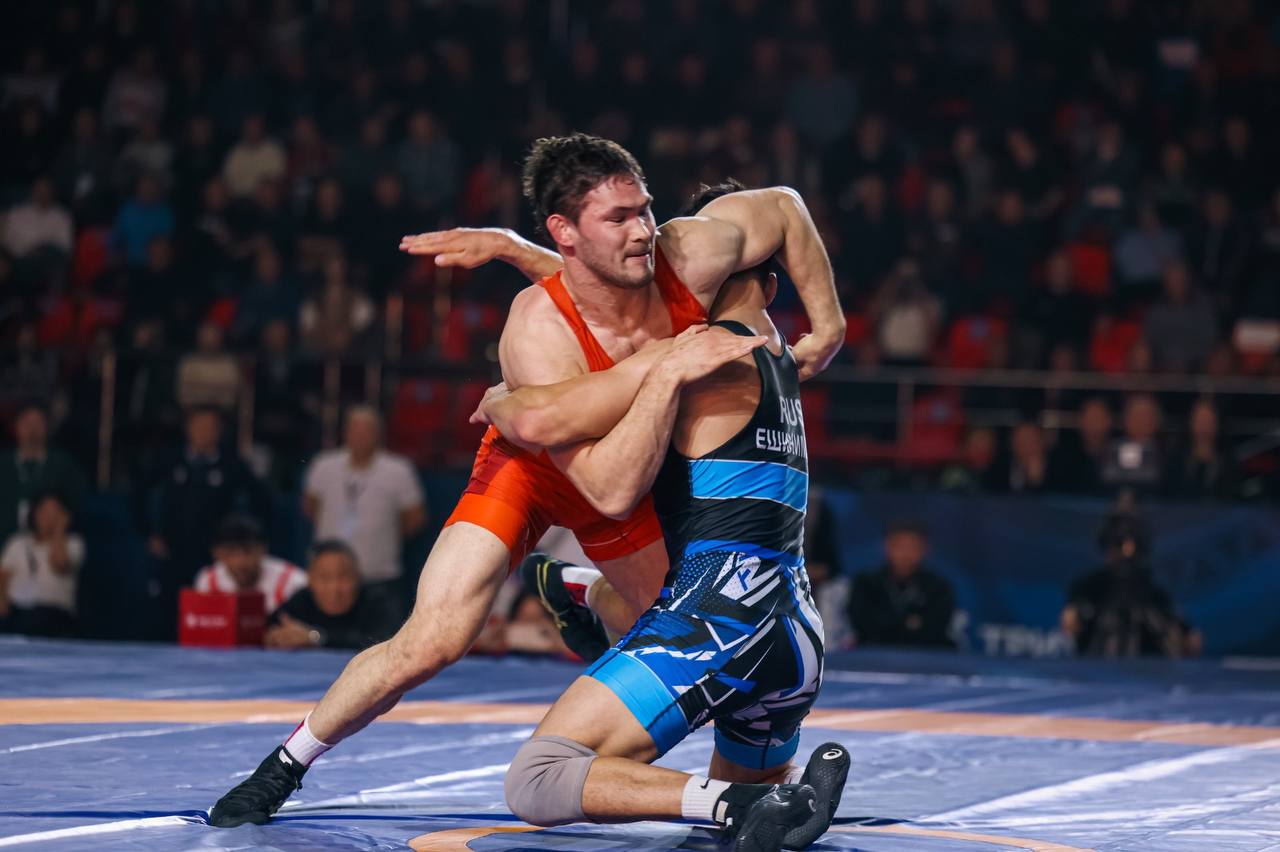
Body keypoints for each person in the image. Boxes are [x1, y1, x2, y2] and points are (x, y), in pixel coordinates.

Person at [209, 135, 843, 829]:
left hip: (622, 459)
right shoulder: (538, 326)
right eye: (619, 218)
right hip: (538, 465)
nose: (643, 232)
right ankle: (287, 763)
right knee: (434, 639)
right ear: (565, 232)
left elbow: (785, 208)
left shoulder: (687, 252)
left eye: (645, 210)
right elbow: (554, 429)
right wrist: (621, 375)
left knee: (674, 618)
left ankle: (579, 591)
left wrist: (830, 325)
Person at [477, 258, 846, 850]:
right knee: (755, 817)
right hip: (799, 636)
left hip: (719, 619)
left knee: (538, 778)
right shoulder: (783, 363)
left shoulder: (691, 357)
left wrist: (501, 400)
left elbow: (552, 424)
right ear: (772, 288)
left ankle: (743, 799)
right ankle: (777, 786)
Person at [144, 406, 270, 639]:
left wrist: (239, 542)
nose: (203, 432)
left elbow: (262, 500)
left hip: (214, 554)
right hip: (174, 551)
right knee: (169, 611)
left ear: (219, 431)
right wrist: (149, 532)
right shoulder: (170, 460)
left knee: (213, 615)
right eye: (198, 426)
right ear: (188, 429)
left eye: (209, 427)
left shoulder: (231, 464)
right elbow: (139, 492)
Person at [301, 406, 426, 595]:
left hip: (379, 574)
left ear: (378, 435)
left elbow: (415, 519)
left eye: (367, 431)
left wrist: (381, 533)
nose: (360, 437)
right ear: (345, 433)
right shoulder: (323, 465)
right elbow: (310, 507)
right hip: (329, 575)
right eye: (355, 430)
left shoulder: (399, 470)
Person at [1061, 504, 1199, 657]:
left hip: (1146, 667)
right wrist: (1076, 617)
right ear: (1107, 546)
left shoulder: (1153, 593)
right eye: (1118, 544)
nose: (1127, 553)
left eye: (1133, 545)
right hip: (1096, 665)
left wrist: (1181, 636)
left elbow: (1188, 638)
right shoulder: (1090, 587)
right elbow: (1070, 622)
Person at [265, 540, 399, 651]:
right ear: (310, 579)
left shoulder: (376, 600)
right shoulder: (302, 599)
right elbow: (271, 627)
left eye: (343, 576)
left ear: (358, 577)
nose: (334, 588)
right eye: (324, 577)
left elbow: (383, 642)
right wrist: (277, 637)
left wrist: (315, 637)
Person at [848, 520, 956, 649]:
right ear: (886, 547)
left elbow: (936, 628)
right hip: (872, 654)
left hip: (925, 655)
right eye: (899, 546)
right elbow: (863, 624)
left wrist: (888, 623)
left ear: (925, 549)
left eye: (913, 547)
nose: (906, 554)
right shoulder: (865, 583)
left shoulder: (938, 587)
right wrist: (910, 623)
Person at [0, 402, 89, 545]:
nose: (32, 429)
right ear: (16, 426)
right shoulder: (3, 463)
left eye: (38, 423)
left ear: (47, 427)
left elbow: (76, 506)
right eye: (27, 423)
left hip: (49, 546)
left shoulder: (63, 465)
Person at [0, 491, 83, 637]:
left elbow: (60, 565)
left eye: (54, 513)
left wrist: (59, 531)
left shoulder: (73, 543)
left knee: (38, 620)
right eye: (44, 511)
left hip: (53, 614)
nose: (48, 518)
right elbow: (3, 577)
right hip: (16, 612)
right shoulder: (17, 543)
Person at [193, 516, 306, 616]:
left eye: (248, 551)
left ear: (263, 549)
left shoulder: (293, 581)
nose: (241, 562)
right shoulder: (208, 580)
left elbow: (310, 630)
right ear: (217, 553)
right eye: (231, 551)